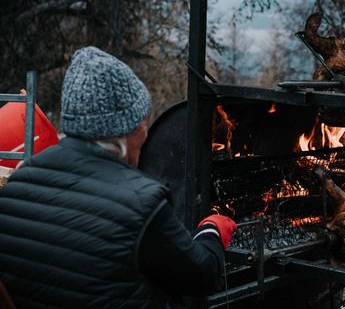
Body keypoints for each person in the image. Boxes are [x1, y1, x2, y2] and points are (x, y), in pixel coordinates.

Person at [0, 46, 236, 308]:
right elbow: (201, 276)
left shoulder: (19, 181)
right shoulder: (142, 202)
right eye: (142, 122)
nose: (146, 133)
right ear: (127, 130)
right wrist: (212, 230)